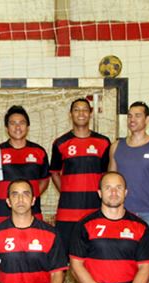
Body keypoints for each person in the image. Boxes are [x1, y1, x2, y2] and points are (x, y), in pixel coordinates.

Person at [50, 98, 110, 250]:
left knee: (94, 257)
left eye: (85, 109)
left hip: (95, 210)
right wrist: (66, 191)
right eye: (76, 110)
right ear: (70, 114)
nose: (81, 113)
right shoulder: (60, 143)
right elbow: (55, 172)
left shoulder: (103, 142)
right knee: (64, 260)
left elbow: (105, 174)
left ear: (90, 113)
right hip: (67, 212)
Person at [109, 101, 149, 241]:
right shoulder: (115, 147)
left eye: (138, 115)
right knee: (123, 259)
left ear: (147, 120)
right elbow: (109, 182)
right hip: (121, 214)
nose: (132, 119)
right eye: (130, 116)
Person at [0, 106, 50, 223]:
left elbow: (44, 180)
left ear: (28, 127)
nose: (17, 127)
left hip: (32, 212)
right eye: (13, 123)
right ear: (6, 127)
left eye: (22, 123)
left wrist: (28, 196)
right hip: (3, 213)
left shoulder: (39, 151)